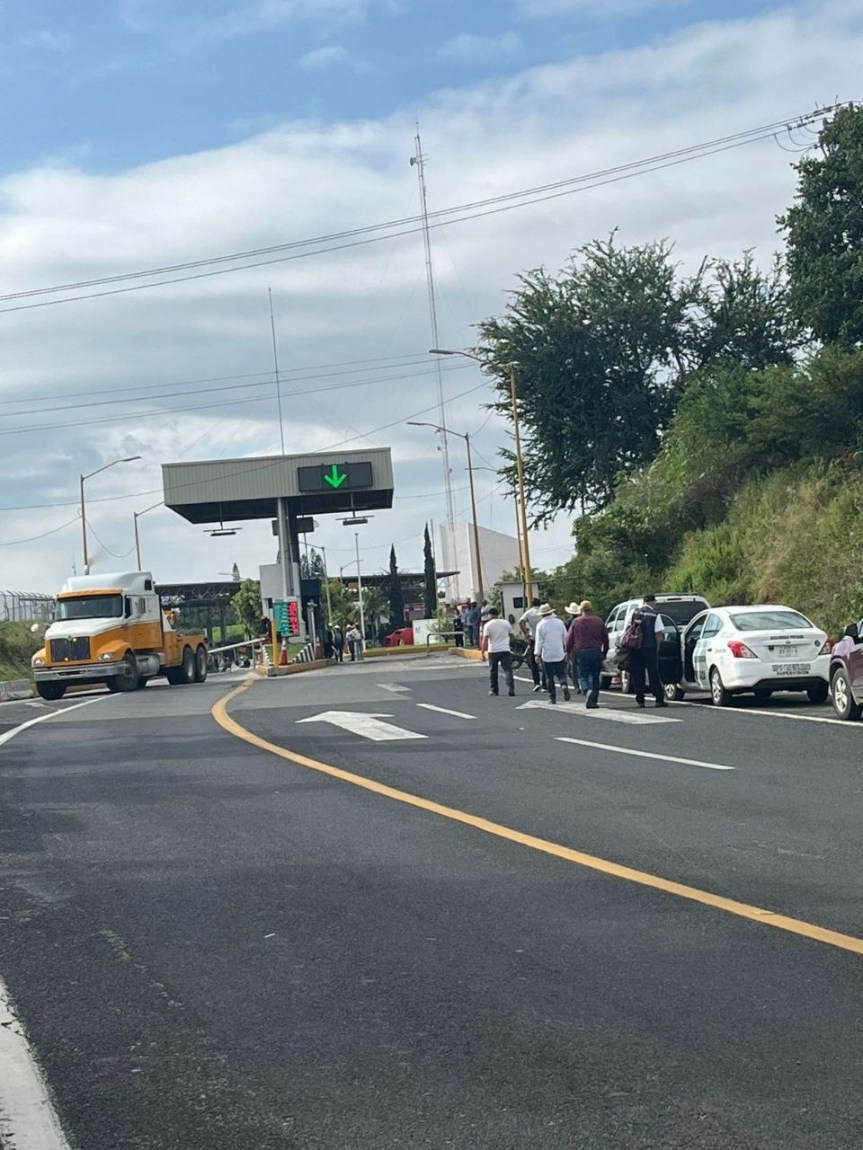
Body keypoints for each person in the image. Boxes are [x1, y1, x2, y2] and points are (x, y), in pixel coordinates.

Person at [566, 600, 609, 709]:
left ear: (581, 610)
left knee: (583, 675)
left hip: (582, 651)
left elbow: (569, 639)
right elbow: (605, 638)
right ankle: (594, 701)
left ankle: (587, 690)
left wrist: (568, 651)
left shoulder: (576, 622)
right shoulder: (598, 621)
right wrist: (605, 651)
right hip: (596, 650)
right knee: (595, 677)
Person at [629, 593, 667, 708]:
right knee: (653, 673)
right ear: (652, 602)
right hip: (649, 647)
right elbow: (658, 634)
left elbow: (628, 628)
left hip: (635, 647)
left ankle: (640, 699)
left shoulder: (634, 613)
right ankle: (658, 699)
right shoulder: (655, 615)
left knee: (637, 673)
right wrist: (658, 647)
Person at [534, 603, 570, 704]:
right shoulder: (559, 622)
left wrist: (537, 654)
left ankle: (552, 697)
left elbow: (539, 640)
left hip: (547, 653)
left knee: (549, 677)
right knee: (561, 673)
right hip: (559, 651)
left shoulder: (540, 625)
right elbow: (565, 637)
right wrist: (566, 650)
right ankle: (563, 684)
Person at [481, 607, 515, 697]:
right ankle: (510, 688)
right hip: (505, 649)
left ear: (490, 615)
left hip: (493, 650)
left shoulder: (488, 625)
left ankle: (494, 690)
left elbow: (484, 640)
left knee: (493, 671)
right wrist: (509, 644)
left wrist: (482, 653)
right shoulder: (506, 623)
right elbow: (511, 636)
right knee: (508, 670)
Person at [519, 597, 545, 693]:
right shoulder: (543, 611)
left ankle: (537, 683)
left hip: (533, 639)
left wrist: (525, 633)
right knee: (544, 662)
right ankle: (545, 684)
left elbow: (520, 622)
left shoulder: (529, 612)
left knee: (533, 662)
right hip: (544, 639)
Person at [563, 601, 587, 693]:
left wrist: (566, 649)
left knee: (574, 667)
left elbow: (567, 637)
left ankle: (577, 685)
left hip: (573, 646)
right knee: (582, 666)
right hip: (583, 645)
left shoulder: (567, 623)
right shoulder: (583, 621)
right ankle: (584, 684)